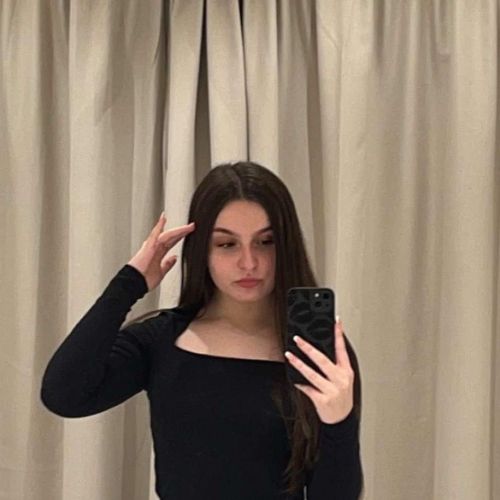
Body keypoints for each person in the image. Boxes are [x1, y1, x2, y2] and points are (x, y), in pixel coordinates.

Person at [40, 162, 363, 499]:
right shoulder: (162, 341)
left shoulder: (315, 353)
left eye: (266, 242)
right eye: (227, 244)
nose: (249, 262)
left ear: (286, 246)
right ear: (202, 250)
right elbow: (64, 395)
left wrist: (339, 422)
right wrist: (129, 283)